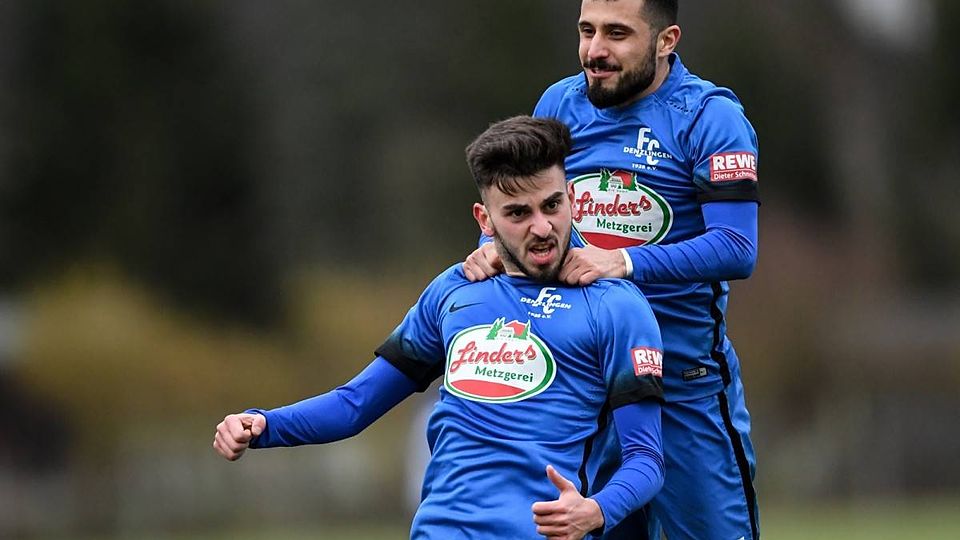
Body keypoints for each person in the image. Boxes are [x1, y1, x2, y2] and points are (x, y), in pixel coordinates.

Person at [214, 116, 666, 540]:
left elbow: (646, 459)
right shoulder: (454, 291)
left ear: (572, 198)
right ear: (485, 220)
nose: (542, 227)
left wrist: (596, 510)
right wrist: (264, 424)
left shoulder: (615, 306)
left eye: (552, 205)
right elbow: (354, 405)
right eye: (518, 214)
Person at [463, 2, 761, 539]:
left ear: (667, 40)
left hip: (683, 390)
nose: (594, 51)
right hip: (586, 389)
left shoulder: (709, 117)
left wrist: (623, 261)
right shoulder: (559, 104)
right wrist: (490, 247)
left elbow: (737, 247)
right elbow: (520, 202)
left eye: (617, 34)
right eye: (587, 30)